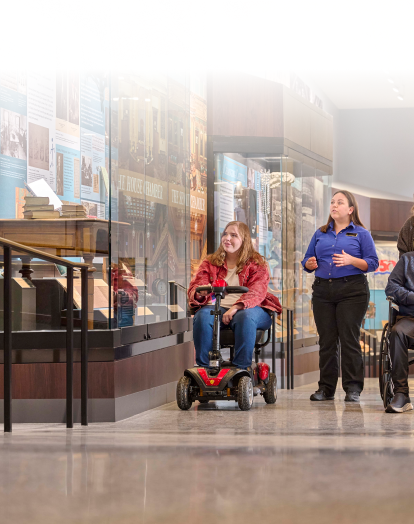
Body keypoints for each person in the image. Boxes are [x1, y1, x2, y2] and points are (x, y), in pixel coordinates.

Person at [302, 190, 379, 402]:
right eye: (332, 202)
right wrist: (308, 263)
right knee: (327, 341)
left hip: (352, 291)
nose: (334, 205)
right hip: (323, 292)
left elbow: (372, 263)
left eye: (340, 202)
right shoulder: (320, 233)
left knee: (349, 339)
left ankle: (353, 389)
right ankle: (325, 389)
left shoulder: (362, 233)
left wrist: (351, 260)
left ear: (350, 209)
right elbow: (307, 260)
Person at [188, 221, 281, 369]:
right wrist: (202, 293)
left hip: (252, 308)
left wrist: (236, 307)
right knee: (202, 316)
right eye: (225, 234)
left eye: (233, 235)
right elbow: (196, 286)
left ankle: (241, 368)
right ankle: (206, 368)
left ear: (243, 240)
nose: (227, 238)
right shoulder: (210, 262)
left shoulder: (256, 263)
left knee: (244, 317)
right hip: (218, 306)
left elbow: (257, 291)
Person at [384, 253, 414, 412]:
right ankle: (401, 394)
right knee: (398, 332)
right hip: (411, 318)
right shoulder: (407, 260)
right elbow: (391, 288)